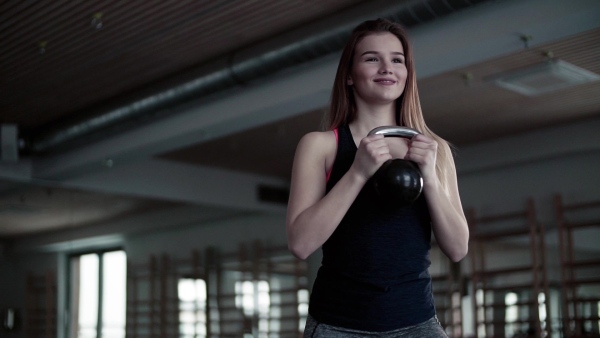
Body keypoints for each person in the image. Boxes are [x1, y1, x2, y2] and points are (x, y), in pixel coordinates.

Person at [285, 18, 469, 337]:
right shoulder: (319, 145)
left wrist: (430, 175)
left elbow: (457, 248)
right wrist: (358, 172)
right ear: (349, 76)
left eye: (396, 60)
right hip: (337, 324)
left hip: (417, 323)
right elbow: (301, 244)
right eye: (372, 58)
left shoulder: (433, 149)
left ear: (406, 74)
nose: (387, 67)